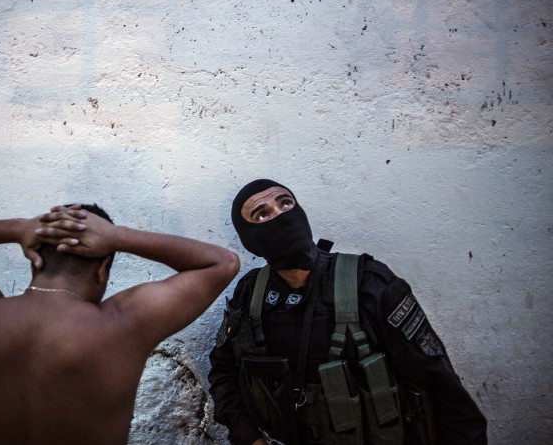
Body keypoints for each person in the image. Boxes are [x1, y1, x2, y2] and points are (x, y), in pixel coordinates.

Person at [0, 203, 239, 445]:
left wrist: (19, 227)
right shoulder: (122, 326)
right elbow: (222, 263)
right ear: (103, 268)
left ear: (34, 254)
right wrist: (117, 236)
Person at [208, 179, 487, 445]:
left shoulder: (369, 283)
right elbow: (223, 373)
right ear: (250, 240)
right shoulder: (250, 295)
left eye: (286, 203)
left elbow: (444, 391)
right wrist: (250, 437)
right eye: (261, 214)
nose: (280, 215)